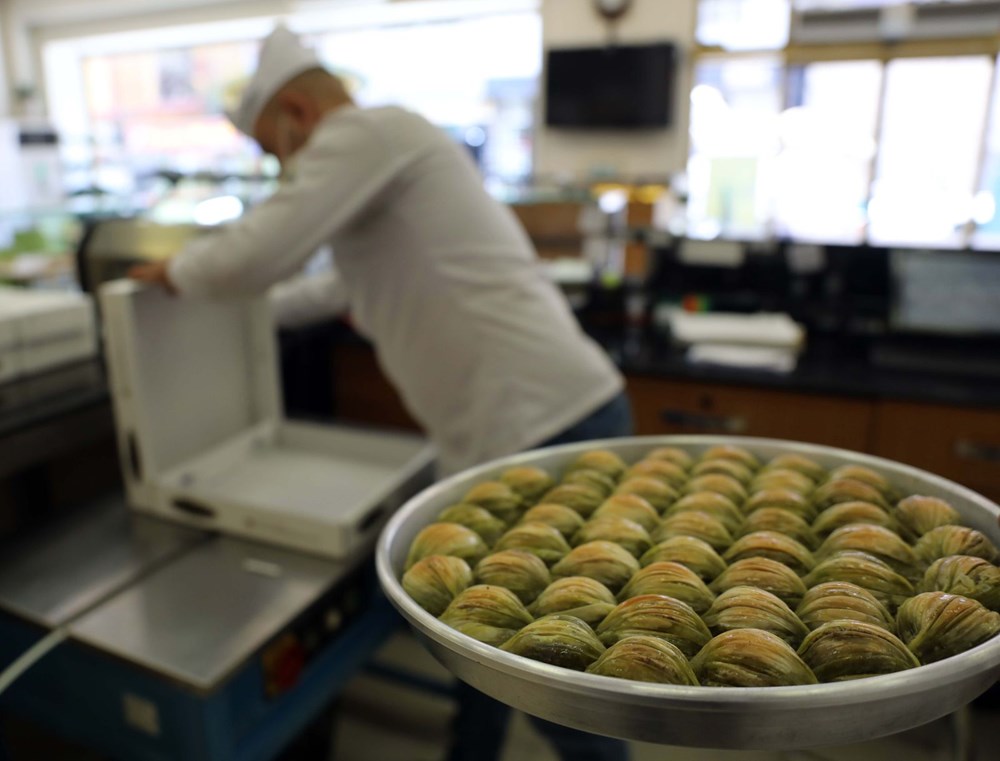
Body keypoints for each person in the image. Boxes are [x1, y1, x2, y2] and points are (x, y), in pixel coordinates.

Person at [131, 26, 631, 761]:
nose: (282, 171)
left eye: (277, 151)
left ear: (297, 114)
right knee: (483, 630)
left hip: (544, 429)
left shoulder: (368, 133)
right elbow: (341, 282)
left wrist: (172, 278)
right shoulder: (392, 156)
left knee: (562, 681)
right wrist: (227, 328)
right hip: (532, 425)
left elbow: (258, 251)